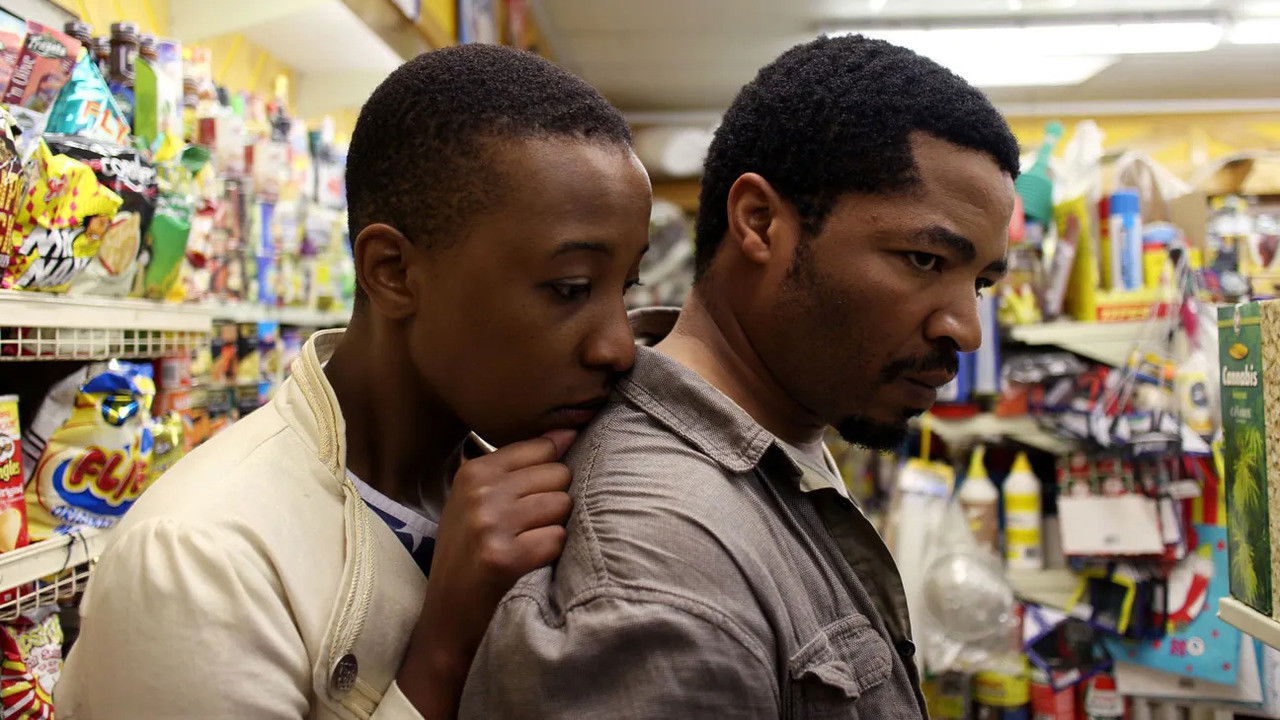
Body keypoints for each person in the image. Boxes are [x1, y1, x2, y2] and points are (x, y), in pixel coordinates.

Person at [57, 44, 651, 720]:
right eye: (570, 287)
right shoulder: (199, 557)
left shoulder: (523, 485)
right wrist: (443, 650)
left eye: (625, 287)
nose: (618, 347)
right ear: (392, 271)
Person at [459, 34, 1021, 719]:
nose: (966, 329)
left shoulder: (781, 431)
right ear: (760, 222)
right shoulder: (662, 561)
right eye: (924, 260)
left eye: (981, 283)